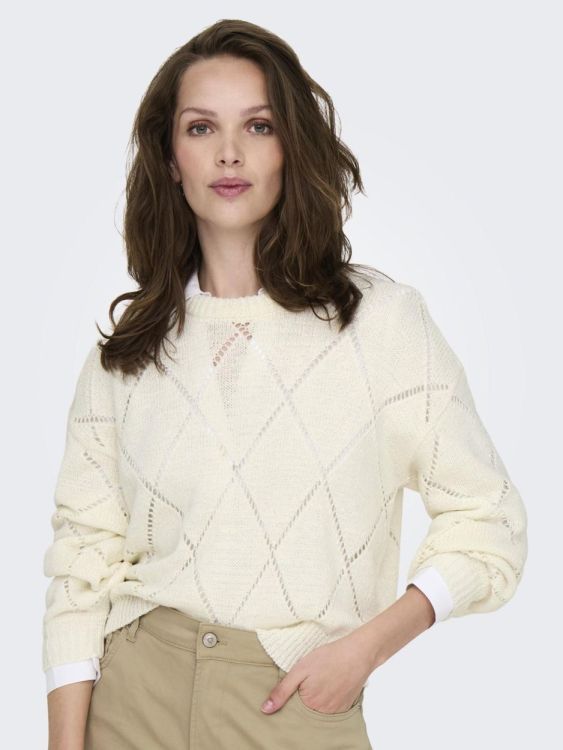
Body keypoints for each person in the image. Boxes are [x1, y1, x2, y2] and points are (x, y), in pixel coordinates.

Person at [43, 18, 528, 750]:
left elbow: (488, 522)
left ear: (290, 147)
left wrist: (364, 650)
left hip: (293, 705)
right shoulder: (126, 356)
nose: (229, 152)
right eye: (201, 128)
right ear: (170, 158)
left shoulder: (381, 325)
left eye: (258, 126)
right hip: (132, 698)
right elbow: (81, 564)